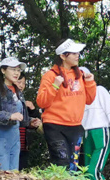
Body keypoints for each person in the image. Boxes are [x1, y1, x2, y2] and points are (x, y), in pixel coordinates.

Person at [37, 39, 97, 171]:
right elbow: (41, 102)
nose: (77, 56)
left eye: (78, 53)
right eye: (73, 53)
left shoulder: (80, 75)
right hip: (54, 125)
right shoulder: (50, 75)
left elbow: (89, 100)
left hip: (75, 126)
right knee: (61, 161)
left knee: (73, 164)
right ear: (63, 56)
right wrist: (55, 86)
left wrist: (90, 82)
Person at [0, 57, 31, 171]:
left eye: (18, 70)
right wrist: (9, 116)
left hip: (14, 135)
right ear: (3, 71)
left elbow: (20, 114)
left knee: (13, 172)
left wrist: (31, 121)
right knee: (0, 172)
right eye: (13, 69)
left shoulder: (17, 91)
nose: (16, 73)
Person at [81, 83, 110, 180]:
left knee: (91, 167)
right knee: (90, 168)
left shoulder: (95, 91)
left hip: (94, 130)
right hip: (93, 130)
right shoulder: (85, 93)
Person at [17, 72, 42, 170]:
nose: (21, 86)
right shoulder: (6, 99)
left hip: (24, 145)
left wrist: (32, 110)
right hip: (10, 143)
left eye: (23, 83)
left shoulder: (24, 101)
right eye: (19, 82)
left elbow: (34, 120)